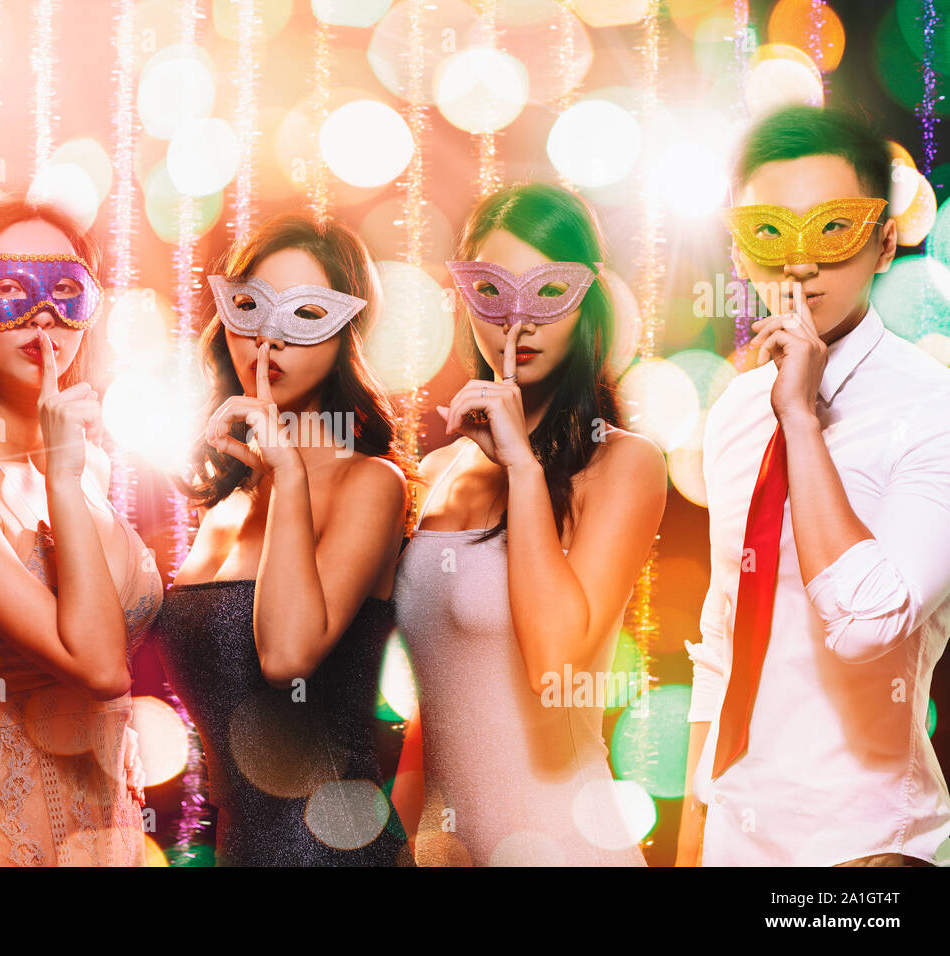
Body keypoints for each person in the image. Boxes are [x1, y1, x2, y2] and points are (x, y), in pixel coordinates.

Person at [678, 104, 950, 867]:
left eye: (832, 230)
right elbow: (725, 636)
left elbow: (869, 625)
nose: (798, 265)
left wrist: (799, 417)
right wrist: (696, 833)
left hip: (870, 850)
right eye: (770, 232)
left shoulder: (933, 411)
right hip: (734, 839)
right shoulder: (734, 410)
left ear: (885, 241)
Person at [392, 183, 666, 866]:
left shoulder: (623, 465)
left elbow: (555, 666)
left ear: (588, 303)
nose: (519, 325)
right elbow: (437, 704)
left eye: (547, 294)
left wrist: (521, 467)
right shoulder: (436, 471)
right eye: (492, 292)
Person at [0, 197, 160, 866]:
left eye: (64, 289)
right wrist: (62, 479)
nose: (41, 313)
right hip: (6, 836)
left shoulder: (93, 464)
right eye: (8, 289)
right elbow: (102, 668)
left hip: (115, 833)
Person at [151, 213, 414, 866]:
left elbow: (286, 658)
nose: (268, 339)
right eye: (250, 307)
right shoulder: (223, 505)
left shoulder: (371, 484)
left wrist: (291, 475)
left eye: (303, 315)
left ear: (344, 333)